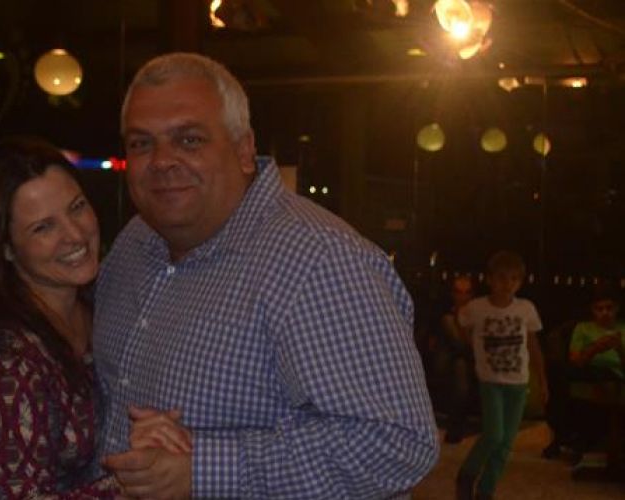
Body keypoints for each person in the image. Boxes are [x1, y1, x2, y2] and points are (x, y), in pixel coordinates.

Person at [95, 52, 438, 499]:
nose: (162, 161)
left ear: (243, 151)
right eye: (141, 143)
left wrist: (202, 469)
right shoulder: (133, 244)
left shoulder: (319, 260)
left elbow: (397, 443)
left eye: (190, 140)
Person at [0, 138, 157, 499]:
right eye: (43, 227)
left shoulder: (100, 304)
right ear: (5, 248)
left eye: (77, 207)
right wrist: (135, 484)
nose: (75, 235)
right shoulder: (5, 362)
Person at [455, 250, 548, 500]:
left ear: (520, 282)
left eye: (514, 279)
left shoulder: (526, 308)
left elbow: (533, 344)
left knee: (506, 442)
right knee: (493, 434)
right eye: (502, 278)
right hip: (491, 382)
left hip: (518, 383)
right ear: (490, 279)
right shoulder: (477, 308)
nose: (507, 284)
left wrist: (542, 379)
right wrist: (474, 347)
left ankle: (486, 490)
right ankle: (467, 473)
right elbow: (462, 324)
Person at [567, 282, 624, 474]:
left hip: (618, 374)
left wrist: (619, 348)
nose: (605, 313)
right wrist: (595, 348)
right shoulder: (583, 328)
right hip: (590, 372)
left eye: (609, 308)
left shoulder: (623, 329)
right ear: (593, 310)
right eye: (600, 309)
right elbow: (576, 361)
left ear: (617, 309)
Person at [441, 275, 478, 443]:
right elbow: (459, 344)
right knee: (460, 367)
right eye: (458, 292)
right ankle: (455, 427)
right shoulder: (447, 316)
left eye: (466, 292)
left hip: (475, 358)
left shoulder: (477, 314)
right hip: (454, 359)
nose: (462, 297)